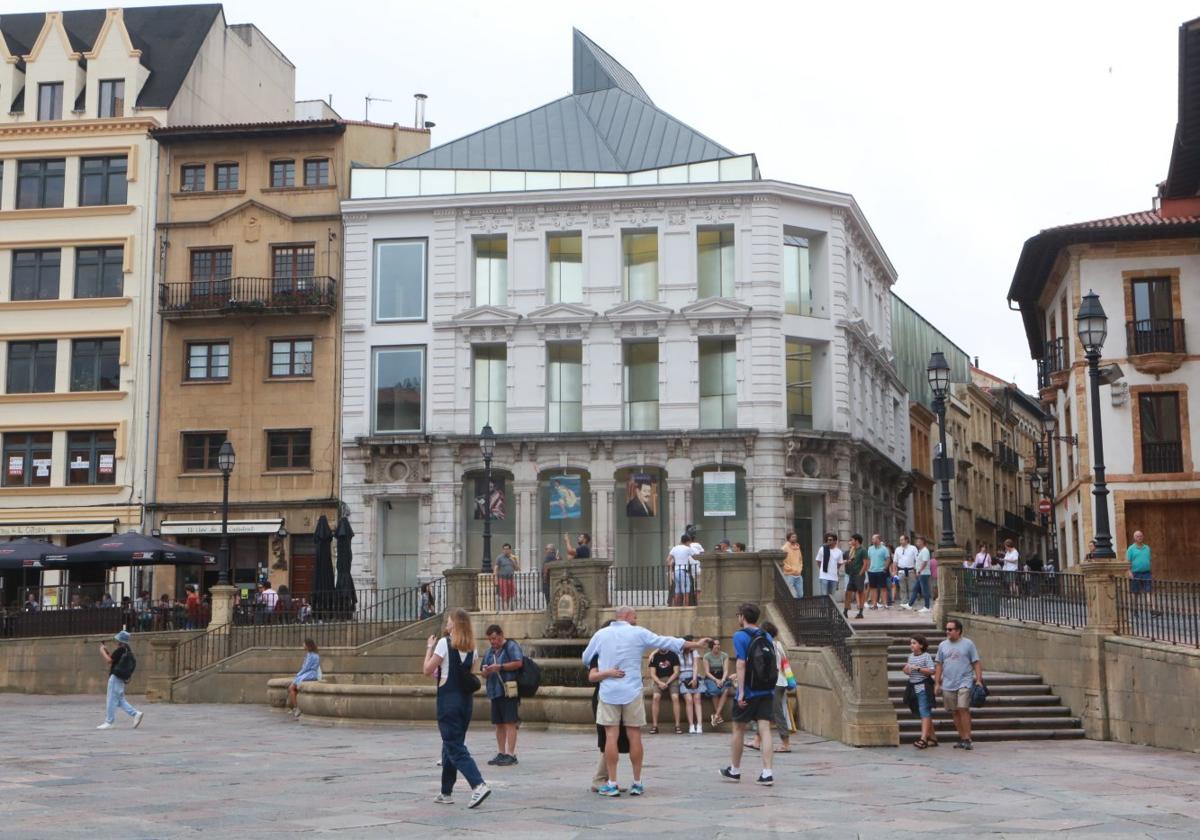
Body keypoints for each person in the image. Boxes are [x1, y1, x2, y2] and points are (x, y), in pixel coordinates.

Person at [580, 606, 710, 796]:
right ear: (627, 616)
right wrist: (696, 644)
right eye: (635, 616)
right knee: (634, 735)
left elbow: (586, 658)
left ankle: (613, 783)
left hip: (609, 692)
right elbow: (667, 641)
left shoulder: (601, 634)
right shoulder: (638, 633)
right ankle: (637, 782)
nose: (636, 619)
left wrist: (605, 665)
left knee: (610, 737)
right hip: (632, 691)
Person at [423, 608, 490, 807]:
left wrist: (429, 647)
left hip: (448, 702)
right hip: (465, 703)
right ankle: (446, 792)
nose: (447, 623)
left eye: (449, 621)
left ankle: (478, 784)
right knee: (451, 744)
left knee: (455, 747)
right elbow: (469, 676)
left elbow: (427, 670)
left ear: (455, 624)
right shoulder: (473, 649)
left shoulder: (444, 644)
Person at [720, 602, 776, 785]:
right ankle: (767, 772)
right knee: (765, 728)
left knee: (738, 728)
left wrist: (741, 692)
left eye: (738, 615)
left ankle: (734, 770)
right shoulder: (766, 635)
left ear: (743, 617)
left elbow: (741, 664)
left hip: (750, 690)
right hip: (766, 689)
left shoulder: (740, 636)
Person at [588, 621, 631, 793]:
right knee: (607, 739)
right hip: (603, 698)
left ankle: (608, 779)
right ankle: (599, 779)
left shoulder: (618, 652)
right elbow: (592, 676)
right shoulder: (597, 653)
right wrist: (609, 673)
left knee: (616, 740)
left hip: (619, 698)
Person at [934, 618, 983, 751]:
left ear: (958, 631)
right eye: (946, 629)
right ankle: (962, 737)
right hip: (948, 683)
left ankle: (967, 738)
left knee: (963, 708)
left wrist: (978, 679)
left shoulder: (968, 644)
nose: (947, 632)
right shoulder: (942, 645)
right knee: (954, 711)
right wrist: (937, 683)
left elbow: (976, 662)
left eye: (950, 629)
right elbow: (939, 664)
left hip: (964, 681)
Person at [746, 620, 791, 754]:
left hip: (775, 682)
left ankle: (786, 743)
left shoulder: (766, 644)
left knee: (775, 712)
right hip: (779, 681)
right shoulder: (777, 644)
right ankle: (756, 740)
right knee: (764, 712)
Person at [481, 624, 523, 766]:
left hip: (508, 690)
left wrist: (501, 667)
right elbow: (483, 671)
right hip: (494, 691)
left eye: (494, 638)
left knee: (510, 722)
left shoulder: (511, 646)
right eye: (490, 640)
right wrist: (486, 671)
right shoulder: (489, 652)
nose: (493, 642)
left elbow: (518, 663)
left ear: (501, 635)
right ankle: (501, 752)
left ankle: (511, 754)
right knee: (498, 723)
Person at [97, 630, 143, 730]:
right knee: (119, 700)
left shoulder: (120, 649)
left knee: (111, 699)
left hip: (115, 677)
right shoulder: (127, 649)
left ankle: (109, 721)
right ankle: (135, 714)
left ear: (119, 640)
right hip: (121, 677)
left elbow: (109, 660)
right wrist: (106, 652)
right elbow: (113, 659)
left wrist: (102, 651)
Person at [904, 634, 937, 749]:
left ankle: (923, 739)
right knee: (922, 712)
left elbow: (932, 670)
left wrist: (918, 668)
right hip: (913, 686)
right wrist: (907, 669)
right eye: (911, 643)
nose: (911, 645)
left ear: (921, 645)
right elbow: (908, 671)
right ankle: (932, 737)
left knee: (924, 711)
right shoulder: (911, 656)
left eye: (914, 643)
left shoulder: (926, 656)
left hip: (923, 686)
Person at [647, 645, 681, 734]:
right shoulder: (654, 656)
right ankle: (655, 726)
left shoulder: (673, 655)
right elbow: (653, 674)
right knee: (655, 697)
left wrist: (667, 683)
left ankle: (677, 725)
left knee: (675, 697)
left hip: (672, 679)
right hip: (659, 679)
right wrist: (660, 683)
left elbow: (676, 672)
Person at [287, 638, 321, 719]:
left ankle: (296, 708)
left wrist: (298, 675)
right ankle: (295, 707)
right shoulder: (311, 654)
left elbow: (306, 668)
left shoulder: (312, 655)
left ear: (308, 645)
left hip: (309, 674)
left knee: (291, 687)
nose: (303, 645)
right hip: (307, 673)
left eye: (304, 644)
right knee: (292, 688)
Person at [702, 638, 732, 727]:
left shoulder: (724, 655)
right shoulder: (706, 656)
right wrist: (716, 680)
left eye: (718, 644)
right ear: (711, 646)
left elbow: (726, 670)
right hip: (711, 678)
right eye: (715, 644)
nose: (717, 646)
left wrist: (722, 680)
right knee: (714, 691)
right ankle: (718, 716)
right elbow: (707, 672)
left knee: (726, 690)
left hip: (722, 677)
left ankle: (716, 715)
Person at [678, 635, 706, 734]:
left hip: (693, 675)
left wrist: (694, 679)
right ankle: (691, 725)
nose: (692, 645)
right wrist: (653, 653)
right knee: (689, 699)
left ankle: (699, 725)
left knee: (697, 698)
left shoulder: (694, 652)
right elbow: (664, 647)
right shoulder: (678, 652)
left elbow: (695, 665)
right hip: (682, 677)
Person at [667, 535, 701, 607]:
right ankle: (686, 607)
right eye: (689, 542)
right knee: (686, 591)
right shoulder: (687, 548)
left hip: (676, 571)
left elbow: (668, 560)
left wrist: (671, 566)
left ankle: (676, 608)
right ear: (688, 541)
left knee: (677, 591)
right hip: (683, 571)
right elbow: (695, 557)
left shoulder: (674, 548)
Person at [903, 536, 933, 613]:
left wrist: (919, 571)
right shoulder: (921, 550)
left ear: (922, 542)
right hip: (921, 573)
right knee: (915, 589)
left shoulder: (925, 551)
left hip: (924, 573)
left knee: (925, 590)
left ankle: (927, 606)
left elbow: (925, 562)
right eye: (917, 542)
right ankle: (909, 604)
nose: (917, 543)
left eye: (918, 542)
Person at [1126, 530, 1154, 610]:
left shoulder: (1147, 548)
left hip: (1146, 573)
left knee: (1149, 591)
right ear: (1134, 538)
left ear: (1143, 537)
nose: (1139, 538)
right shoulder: (1131, 549)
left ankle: (1152, 609)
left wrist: (1152, 572)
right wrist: (1129, 572)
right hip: (1135, 573)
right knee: (1135, 593)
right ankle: (1135, 608)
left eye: (1141, 536)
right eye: (1137, 536)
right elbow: (1128, 562)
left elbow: (1150, 560)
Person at [843, 533, 867, 619]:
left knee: (860, 592)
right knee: (848, 592)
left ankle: (860, 612)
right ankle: (845, 611)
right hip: (851, 574)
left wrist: (860, 574)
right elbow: (850, 561)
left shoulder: (863, 550)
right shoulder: (852, 550)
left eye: (852, 540)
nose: (851, 541)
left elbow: (865, 564)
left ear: (856, 541)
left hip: (858, 574)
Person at [866, 534, 891, 610]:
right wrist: (868, 568)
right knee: (873, 588)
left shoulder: (884, 549)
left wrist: (885, 568)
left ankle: (885, 604)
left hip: (881, 571)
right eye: (872, 539)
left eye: (873, 539)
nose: (872, 540)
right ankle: (874, 605)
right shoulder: (870, 548)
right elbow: (869, 559)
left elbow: (888, 559)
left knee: (883, 588)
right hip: (872, 571)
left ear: (878, 539)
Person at [493, 544, 520, 610]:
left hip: (510, 579)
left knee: (509, 595)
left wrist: (513, 561)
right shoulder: (499, 557)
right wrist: (496, 579)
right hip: (502, 579)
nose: (505, 550)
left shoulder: (513, 557)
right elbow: (496, 568)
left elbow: (517, 568)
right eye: (504, 549)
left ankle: (507, 608)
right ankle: (505, 610)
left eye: (507, 549)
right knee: (503, 596)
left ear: (510, 550)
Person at [816, 532, 842, 597]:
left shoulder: (839, 552)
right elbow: (818, 561)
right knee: (824, 596)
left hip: (833, 577)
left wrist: (835, 569)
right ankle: (824, 607)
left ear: (835, 541)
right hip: (824, 576)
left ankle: (830, 608)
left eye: (830, 540)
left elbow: (839, 563)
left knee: (832, 597)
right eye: (827, 540)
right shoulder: (822, 549)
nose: (828, 541)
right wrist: (822, 569)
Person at [893, 534, 918, 601]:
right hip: (901, 571)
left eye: (902, 540)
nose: (900, 541)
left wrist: (917, 570)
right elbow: (895, 561)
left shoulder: (913, 548)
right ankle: (904, 602)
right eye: (900, 540)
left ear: (906, 540)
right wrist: (894, 572)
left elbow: (917, 560)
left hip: (911, 571)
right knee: (902, 588)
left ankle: (911, 602)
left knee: (912, 588)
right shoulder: (897, 549)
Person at [780, 531, 804, 598]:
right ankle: (791, 608)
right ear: (788, 538)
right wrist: (791, 569)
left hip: (798, 575)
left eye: (795, 537)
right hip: (789, 574)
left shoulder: (797, 548)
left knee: (800, 595)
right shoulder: (784, 548)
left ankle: (797, 607)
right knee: (790, 594)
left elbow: (800, 560)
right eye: (793, 537)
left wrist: (799, 569)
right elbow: (782, 561)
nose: (794, 538)